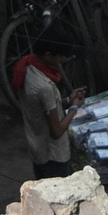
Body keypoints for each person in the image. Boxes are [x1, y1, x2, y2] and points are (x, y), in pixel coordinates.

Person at [15, 41, 86, 178]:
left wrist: (68, 100)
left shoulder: (27, 67)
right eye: (60, 57)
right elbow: (56, 131)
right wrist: (74, 107)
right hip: (52, 156)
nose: (61, 60)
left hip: (37, 146)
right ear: (48, 55)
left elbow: (43, 107)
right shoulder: (44, 88)